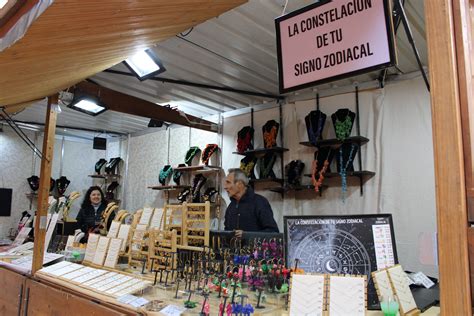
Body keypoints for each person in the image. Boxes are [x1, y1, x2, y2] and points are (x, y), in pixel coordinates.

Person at [224, 168, 279, 237]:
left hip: (256, 247)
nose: (225, 187)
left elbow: (273, 232)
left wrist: (247, 235)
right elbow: (226, 233)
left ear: (240, 184)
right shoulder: (230, 207)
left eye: (228, 182)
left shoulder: (260, 203)